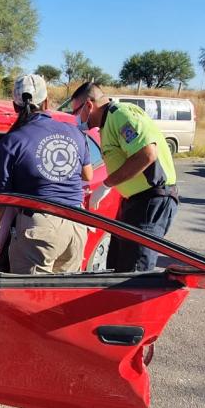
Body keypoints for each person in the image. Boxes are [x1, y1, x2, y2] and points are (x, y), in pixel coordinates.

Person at [0, 74, 93, 275]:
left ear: (14, 106)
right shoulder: (74, 132)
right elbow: (87, 175)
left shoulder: (12, 141)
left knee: (30, 296)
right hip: (77, 223)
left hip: (40, 228)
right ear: (46, 102)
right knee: (63, 295)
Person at [71, 82, 178, 272]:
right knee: (118, 266)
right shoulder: (108, 123)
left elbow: (147, 154)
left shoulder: (120, 115)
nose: (76, 119)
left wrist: (106, 184)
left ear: (89, 105)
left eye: (76, 112)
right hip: (136, 202)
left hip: (151, 201)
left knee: (134, 273)